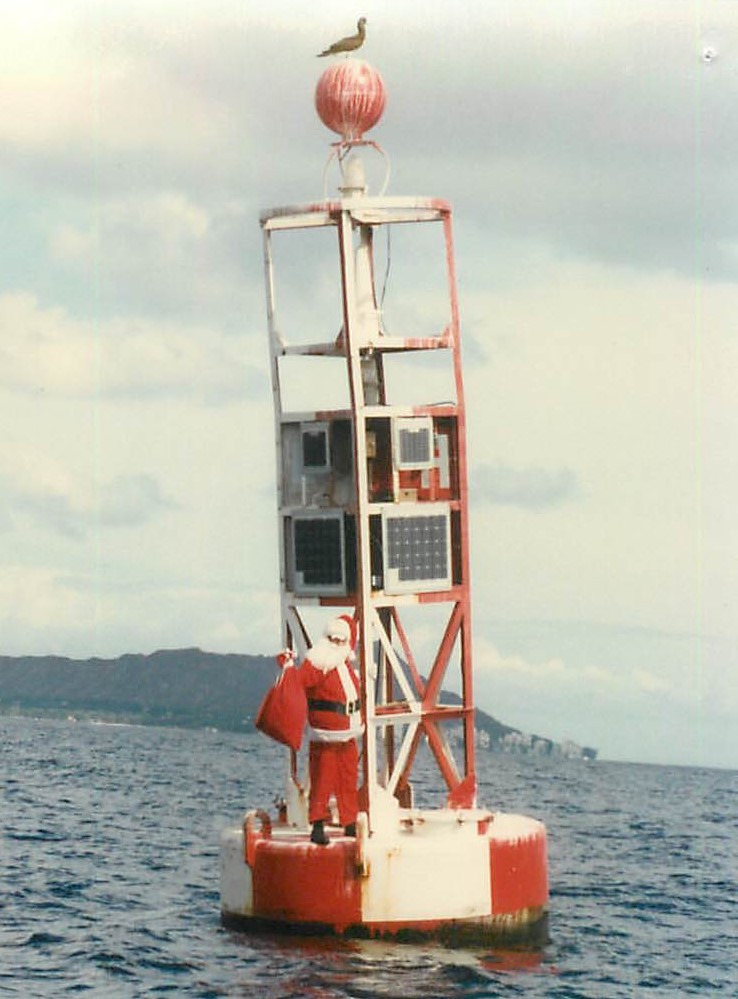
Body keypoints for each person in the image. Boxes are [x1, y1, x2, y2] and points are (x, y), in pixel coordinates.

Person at [280, 615, 362, 845]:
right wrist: (287, 669)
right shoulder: (318, 663)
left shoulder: (342, 665)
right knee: (323, 778)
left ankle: (349, 822)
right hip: (326, 732)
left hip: (347, 731)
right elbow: (298, 684)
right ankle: (317, 823)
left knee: (348, 778)